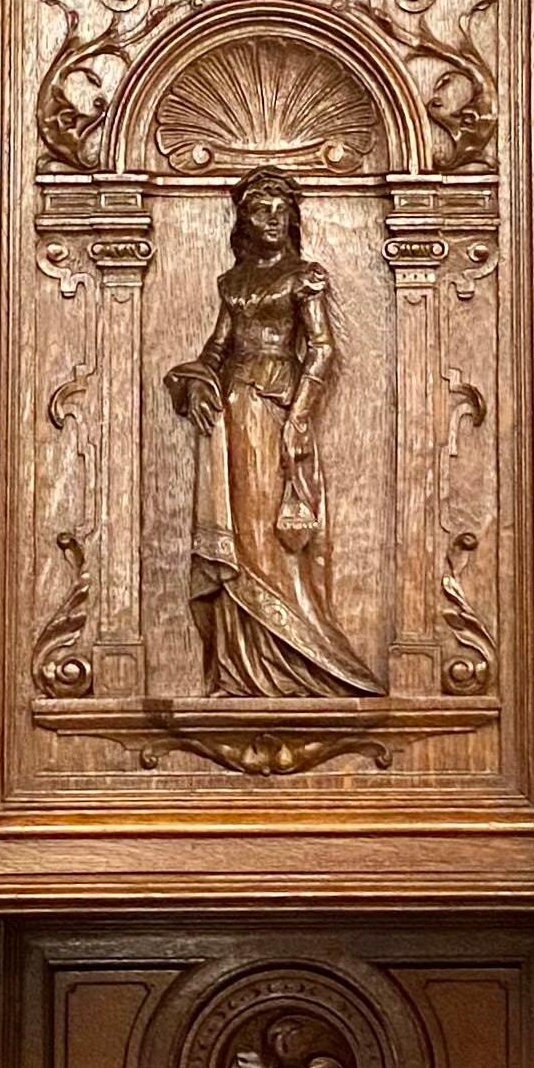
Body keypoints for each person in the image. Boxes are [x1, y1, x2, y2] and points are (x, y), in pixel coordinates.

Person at [164, 167, 378, 696]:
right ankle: (240, 663)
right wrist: (195, 381)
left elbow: (323, 349)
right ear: (244, 219)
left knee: (269, 536)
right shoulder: (233, 283)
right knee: (236, 533)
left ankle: (296, 656)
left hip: (275, 409)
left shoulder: (304, 276)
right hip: (233, 415)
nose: (273, 220)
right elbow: (218, 346)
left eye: (282, 210)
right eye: (262, 210)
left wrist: (300, 415)